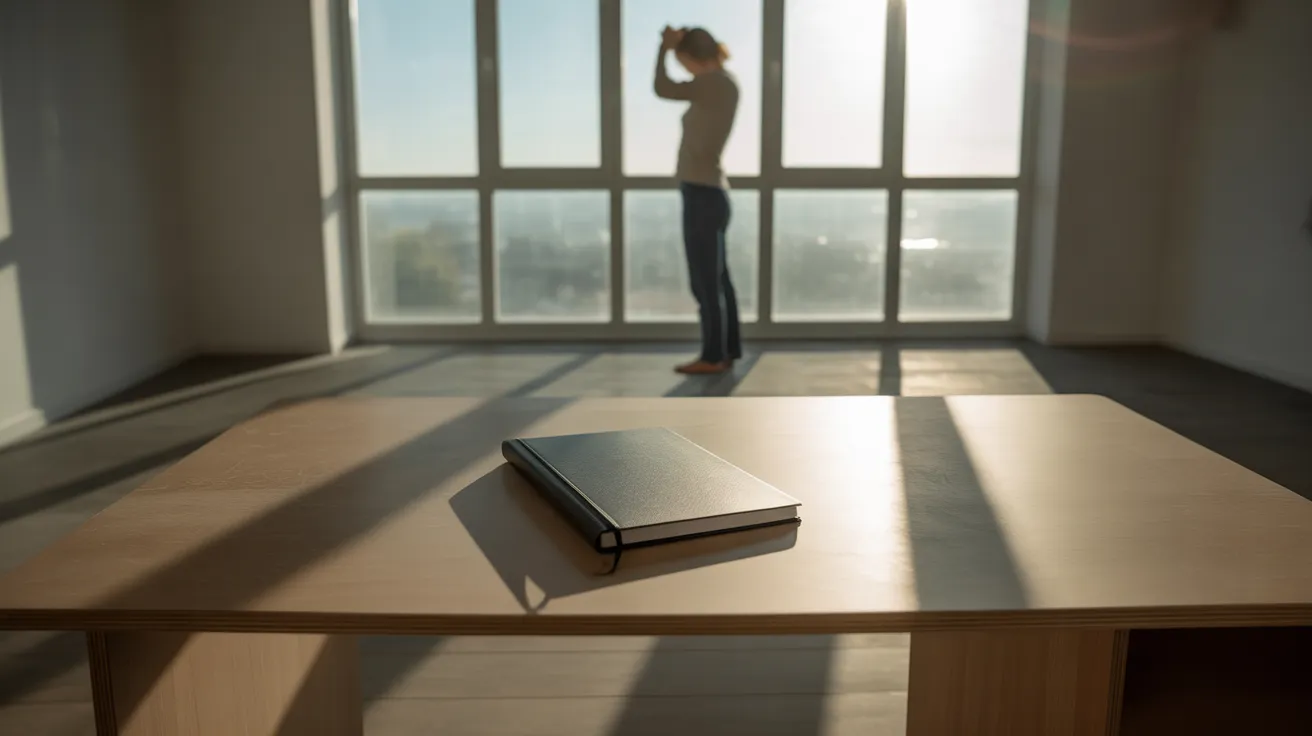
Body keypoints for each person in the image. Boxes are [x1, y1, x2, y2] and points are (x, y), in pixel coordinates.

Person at [655, 26, 741, 375]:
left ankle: (711, 357)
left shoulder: (714, 83)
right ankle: (726, 351)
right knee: (718, 279)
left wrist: (663, 48)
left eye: (682, 60)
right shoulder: (722, 84)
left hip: (702, 194)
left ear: (690, 56)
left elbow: (663, 88)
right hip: (711, 193)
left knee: (705, 281)